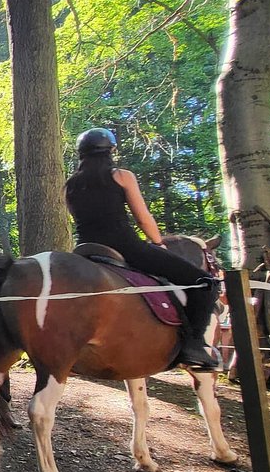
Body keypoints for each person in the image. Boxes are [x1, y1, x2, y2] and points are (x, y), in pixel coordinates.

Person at [65, 127, 219, 370]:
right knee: (204, 282)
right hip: (125, 246)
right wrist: (158, 244)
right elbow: (143, 218)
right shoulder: (121, 176)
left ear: (81, 153)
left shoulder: (70, 185)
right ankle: (194, 345)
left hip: (85, 250)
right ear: (110, 151)